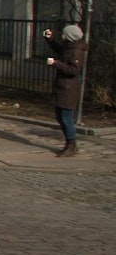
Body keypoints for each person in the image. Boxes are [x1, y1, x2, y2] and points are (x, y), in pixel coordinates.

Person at [45, 24, 87, 157]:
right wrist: (50, 39)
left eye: (64, 34)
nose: (62, 36)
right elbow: (59, 49)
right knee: (59, 116)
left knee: (66, 117)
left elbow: (74, 70)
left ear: (70, 36)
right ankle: (69, 144)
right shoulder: (69, 47)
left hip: (69, 88)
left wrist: (56, 63)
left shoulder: (77, 51)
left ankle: (71, 144)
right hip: (62, 86)